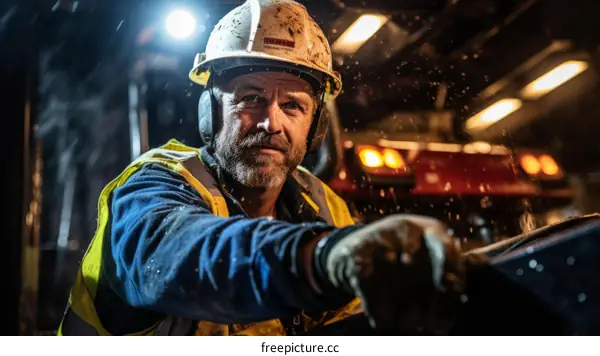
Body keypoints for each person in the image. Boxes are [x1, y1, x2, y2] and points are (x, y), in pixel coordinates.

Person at [57, 0, 465, 336]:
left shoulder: (327, 209)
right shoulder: (154, 187)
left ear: (315, 126)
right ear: (211, 112)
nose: (272, 122)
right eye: (251, 98)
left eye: (293, 106)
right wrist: (320, 257)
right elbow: (175, 256)